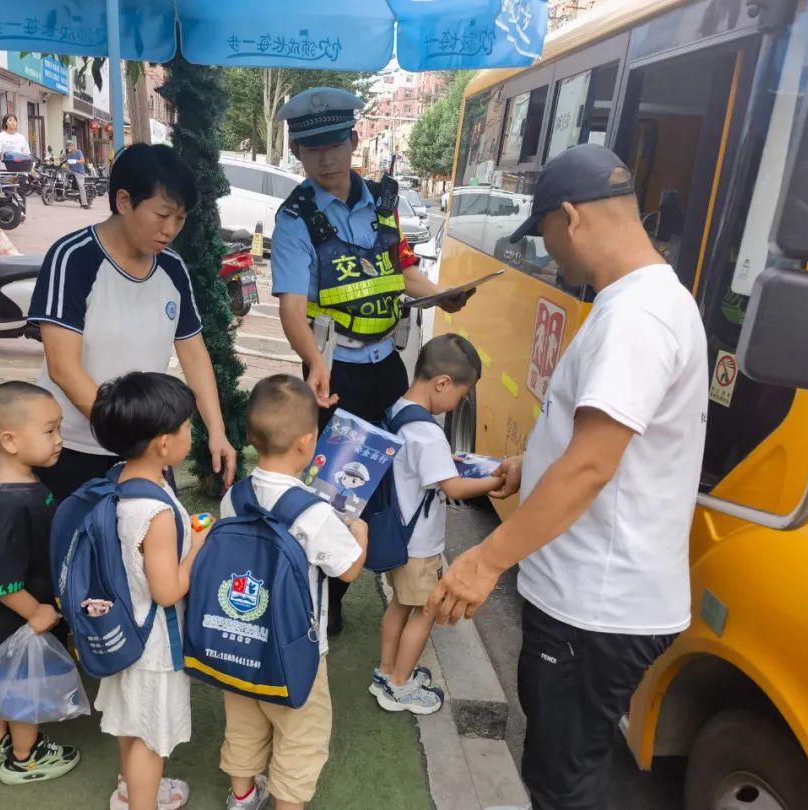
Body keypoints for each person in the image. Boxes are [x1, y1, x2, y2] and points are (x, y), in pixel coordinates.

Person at [427, 144, 709, 810]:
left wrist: (483, 560)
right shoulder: (650, 300)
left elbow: (591, 466)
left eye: (546, 234)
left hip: (595, 608)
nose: (550, 253)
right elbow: (599, 446)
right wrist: (534, 464)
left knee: (562, 784)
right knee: (568, 764)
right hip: (599, 598)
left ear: (572, 218)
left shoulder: (634, 319)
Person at [272, 86, 470, 635]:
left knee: (399, 479)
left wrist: (438, 292)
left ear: (354, 140)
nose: (325, 158)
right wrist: (313, 364)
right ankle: (327, 600)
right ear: (297, 153)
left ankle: (397, 582)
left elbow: (401, 269)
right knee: (337, 490)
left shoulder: (385, 202)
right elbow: (291, 306)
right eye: (312, 149)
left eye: (334, 144)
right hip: (336, 373)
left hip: (390, 368)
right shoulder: (296, 219)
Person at [27, 143, 237, 502]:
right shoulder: (73, 258)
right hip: (73, 447)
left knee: (152, 549)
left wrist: (217, 430)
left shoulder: (172, 269)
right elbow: (63, 367)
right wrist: (127, 437)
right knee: (74, 551)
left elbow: (194, 354)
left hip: (146, 448)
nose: (170, 229)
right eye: (162, 214)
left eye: (180, 218)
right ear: (124, 201)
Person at [218, 375, 367, 810]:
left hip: (241, 636)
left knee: (243, 721)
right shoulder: (314, 511)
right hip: (294, 650)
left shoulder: (236, 495)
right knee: (301, 734)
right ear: (309, 443)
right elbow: (350, 569)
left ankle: (243, 795)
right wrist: (358, 529)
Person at [90, 371, 206, 810]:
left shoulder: (122, 478)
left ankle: (130, 791)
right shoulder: (154, 510)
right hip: (153, 643)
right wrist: (195, 547)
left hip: (123, 626)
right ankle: (144, 801)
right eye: (188, 425)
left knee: (131, 725)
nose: (190, 432)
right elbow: (167, 590)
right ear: (163, 442)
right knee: (151, 740)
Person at [373, 334, 504, 715]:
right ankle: (399, 685)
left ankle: (386, 671)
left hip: (400, 535)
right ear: (443, 383)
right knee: (426, 610)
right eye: (462, 395)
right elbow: (453, 486)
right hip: (419, 545)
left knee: (400, 605)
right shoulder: (429, 433)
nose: (458, 403)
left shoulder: (400, 409)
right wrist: (496, 482)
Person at [0, 381, 80, 785]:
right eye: (50, 431)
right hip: (20, 614)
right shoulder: (9, 502)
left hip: (15, 616)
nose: (59, 440)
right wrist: (36, 611)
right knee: (23, 688)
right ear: (10, 441)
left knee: (3, 676)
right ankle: (24, 756)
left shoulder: (19, 481)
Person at [65, 140, 90, 209]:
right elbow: (67, 164)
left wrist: (75, 161)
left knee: (81, 186)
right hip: (71, 171)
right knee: (62, 173)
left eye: (70, 145)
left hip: (79, 172)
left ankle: (85, 203)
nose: (69, 147)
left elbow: (83, 161)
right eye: (67, 146)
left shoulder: (78, 152)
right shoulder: (68, 155)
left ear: (73, 146)